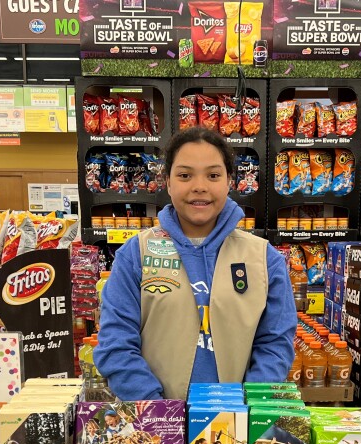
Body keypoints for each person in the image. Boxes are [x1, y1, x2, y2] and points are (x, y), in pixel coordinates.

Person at [96, 127, 296, 400]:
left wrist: (245, 409)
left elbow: (275, 344)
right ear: (167, 182)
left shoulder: (264, 258)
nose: (199, 186)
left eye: (213, 175)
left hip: (236, 423)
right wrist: (159, 415)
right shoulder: (136, 253)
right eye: (185, 175)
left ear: (229, 181)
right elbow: (115, 344)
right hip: (157, 426)